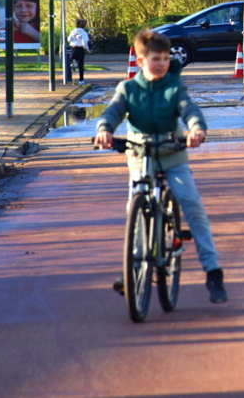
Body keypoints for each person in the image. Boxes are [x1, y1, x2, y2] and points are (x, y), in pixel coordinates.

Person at [94, 28, 227, 304]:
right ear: (141, 62)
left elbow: (189, 110)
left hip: (172, 152)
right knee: (135, 207)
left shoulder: (174, 87)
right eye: (157, 59)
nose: (163, 63)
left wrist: (196, 129)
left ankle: (213, 273)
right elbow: (112, 112)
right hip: (140, 153)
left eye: (166, 58)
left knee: (192, 206)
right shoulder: (128, 89)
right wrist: (105, 129)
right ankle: (132, 271)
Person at [67, 18, 92, 85]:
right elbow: (85, 42)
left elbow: (69, 39)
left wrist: (74, 39)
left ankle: (73, 63)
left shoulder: (73, 31)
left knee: (69, 63)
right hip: (80, 49)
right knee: (81, 65)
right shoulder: (84, 33)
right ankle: (81, 80)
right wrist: (88, 50)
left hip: (73, 48)